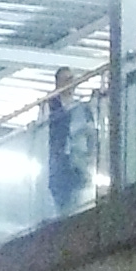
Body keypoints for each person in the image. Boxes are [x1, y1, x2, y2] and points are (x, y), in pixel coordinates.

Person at [45, 68, 94, 215]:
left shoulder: (82, 107)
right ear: (58, 83)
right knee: (61, 202)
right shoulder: (50, 105)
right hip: (59, 162)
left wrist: (90, 155)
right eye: (66, 80)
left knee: (78, 201)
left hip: (78, 163)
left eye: (71, 79)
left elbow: (91, 133)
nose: (70, 83)